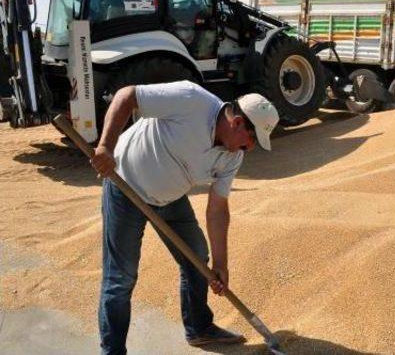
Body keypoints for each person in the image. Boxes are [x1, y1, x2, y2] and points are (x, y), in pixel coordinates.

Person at [90, 80, 279, 354]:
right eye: (250, 143)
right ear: (237, 123)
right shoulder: (191, 100)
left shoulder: (232, 157)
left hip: (170, 197)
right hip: (126, 186)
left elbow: (217, 209)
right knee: (121, 279)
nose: (247, 150)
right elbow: (126, 96)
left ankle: (199, 328)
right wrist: (106, 146)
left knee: (197, 259)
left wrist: (221, 265)